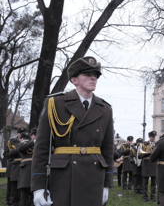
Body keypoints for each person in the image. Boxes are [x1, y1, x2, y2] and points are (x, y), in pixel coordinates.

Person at [31, 56, 114, 206]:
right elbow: (41, 148)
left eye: (95, 75)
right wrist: (38, 187)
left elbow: (107, 150)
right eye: (88, 74)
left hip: (94, 178)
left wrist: (107, 184)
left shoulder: (105, 108)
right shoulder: (55, 103)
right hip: (64, 177)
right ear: (74, 80)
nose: (93, 78)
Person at [4, 128, 24, 206]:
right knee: (10, 183)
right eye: (20, 133)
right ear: (17, 133)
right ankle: (8, 199)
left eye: (22, 133)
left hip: (20, 164)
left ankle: (17, 199)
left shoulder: (26, 141)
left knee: (18, 183)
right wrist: (13, 154)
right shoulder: (12, 141)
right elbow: (5, 154)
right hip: (12, 164)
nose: (21, 134)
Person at [18, 129, 36, 206]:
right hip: (25, 173)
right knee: (24, 198)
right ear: (31, 136)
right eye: (34, 135)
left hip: (35, 171)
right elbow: (20, 148)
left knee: (34, 198)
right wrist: (33, 142)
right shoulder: (25, 143)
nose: (35, 136)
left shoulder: (40, 144)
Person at [141, 131, 157, 202]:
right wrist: (149, 152)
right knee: (145, 182)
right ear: (149, 137)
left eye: (154, 137)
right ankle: (145, 196)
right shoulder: (144, 144)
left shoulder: (157, 144)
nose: (153, 138)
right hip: (146, 163)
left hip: (154, 164)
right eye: (152, 137)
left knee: (153, 182)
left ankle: (153, 195)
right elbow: (140, 155)